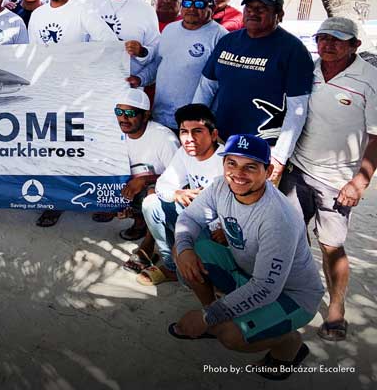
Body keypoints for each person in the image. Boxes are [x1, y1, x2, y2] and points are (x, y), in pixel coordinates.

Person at [172, 134, 324, 381]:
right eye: (231, 163)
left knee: (231, 335)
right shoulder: (221, 185)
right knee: (186, 252)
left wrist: (206, 318)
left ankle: (289, 344)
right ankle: (216, 314)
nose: (238, 173)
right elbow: (189, 219)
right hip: (249, 273)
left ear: (269, 171)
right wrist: (186, 250)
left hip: (292, 295)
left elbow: (266, 288)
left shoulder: (277, 218)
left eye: (250, 167)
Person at [279, 17, 377, 342]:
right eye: (323, 37)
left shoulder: (370, 79)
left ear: (355, 45)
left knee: (331, 246)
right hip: (298, 170)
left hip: (339, 181)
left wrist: (359, 182)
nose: (328, 44)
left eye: (337, 39)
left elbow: (376, 137)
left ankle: (336, 308)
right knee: (291, 237)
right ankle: (297, 293)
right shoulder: (309, 69)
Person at [193, 0, 314, 185]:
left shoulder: (293, 50)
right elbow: (206, 88)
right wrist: (196, 128)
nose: (253, 12)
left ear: (279, 14)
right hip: (222, 142)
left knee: (253, 210)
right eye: (249, 8)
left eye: (262, 8)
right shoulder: (228, 41)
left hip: (263, 148)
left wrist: (280, 156)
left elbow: (297, 110)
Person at [28, 0, 115, 228]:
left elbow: (108, 40)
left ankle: (87, 198)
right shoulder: (38, 15)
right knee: (50, 149)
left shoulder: (82, 10)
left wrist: (85, 67)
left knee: (77, 149)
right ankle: (54, 202)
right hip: (45, 91)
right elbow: (32, 54)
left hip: (76, 93)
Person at [138, 104, 224, 286]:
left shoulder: (226, 161)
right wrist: (177, 193)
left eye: (197, 131)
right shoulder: (185, 153)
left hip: (218, 229)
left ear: (214, 135)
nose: (189, 139)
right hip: (194, 218)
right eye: (184, 132)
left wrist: (225, 228)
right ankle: (171, 267)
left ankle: (201, 273)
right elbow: (163, 185)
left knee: (194, 277)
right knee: (151, 203)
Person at [110, 89, 180, 273]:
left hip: (161, 192)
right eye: (119, 112)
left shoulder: (164, 138)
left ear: (146, 114)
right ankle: (139, 221)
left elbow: (180, 178)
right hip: (130, 186)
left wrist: (145, 180)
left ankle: (148, 244)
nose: (123, 118)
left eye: (131, 113)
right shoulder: (111, 134)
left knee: (150, 191)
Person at [150, 0, 227, 131]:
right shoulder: (169, 29)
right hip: (159, 117)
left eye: (199, 4)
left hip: (192, 125)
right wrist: (139, 78)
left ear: (212, 7)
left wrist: (199, 120)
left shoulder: (221, 37)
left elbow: (218, 85)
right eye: (187, 2)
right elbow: (157, 64)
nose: (191, 8)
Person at [84, 0, 159, 98]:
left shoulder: (146, 10)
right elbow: (79, 44)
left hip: (127, 89)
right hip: (92, 86)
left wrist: (141, 51)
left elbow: (156, 52)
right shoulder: (90, 5)